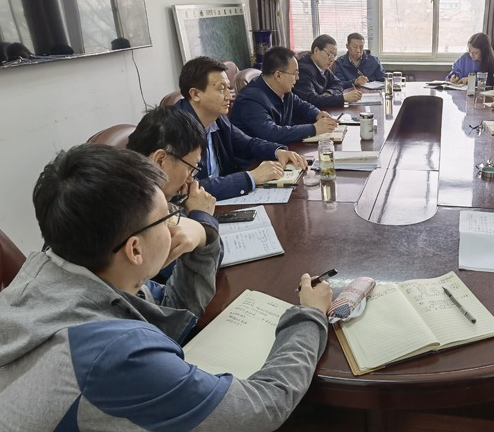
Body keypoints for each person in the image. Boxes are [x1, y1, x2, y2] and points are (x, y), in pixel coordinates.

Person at [0, 144, 332, 432]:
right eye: (169, 216)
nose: (177, 225)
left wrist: (203, 236)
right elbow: (264, 406)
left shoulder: (50, 270)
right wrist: (310, 316)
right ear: (135, 249)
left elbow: (171, 314)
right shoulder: (112, 356)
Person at [174, 56, 307, 201]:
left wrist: (278, 152)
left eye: (228, 88)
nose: (229, 97)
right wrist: (251, 177)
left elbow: (247, 144)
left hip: (224, 199)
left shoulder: (218, 119)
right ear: (195, 94)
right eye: (221, 89)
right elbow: (185, 190)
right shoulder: (176, 130)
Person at [127, 105, 219, 279]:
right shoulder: (140, 211)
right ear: (160, 160)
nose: (191, 179)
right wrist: (203, 220)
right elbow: (194, 270)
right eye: (190, 168)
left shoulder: (133, 181)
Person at [230, 47, 338, 145]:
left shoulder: (284, 90)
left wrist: (318, 115)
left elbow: (302, 106)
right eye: (295, 73)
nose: (297, 78)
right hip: (258, 158)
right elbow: (271, 134)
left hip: (282, 151)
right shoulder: (250, 100)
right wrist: (313, 129)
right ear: (278, 75)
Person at [295, 34, 362, 108]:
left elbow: (339, 84)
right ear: (316, 51)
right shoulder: (302, 71)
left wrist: (328, 93)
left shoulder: (323, 67)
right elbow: (311, 100)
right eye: (330, 55)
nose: (332, 59)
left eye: (334, 56)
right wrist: (343, 98)